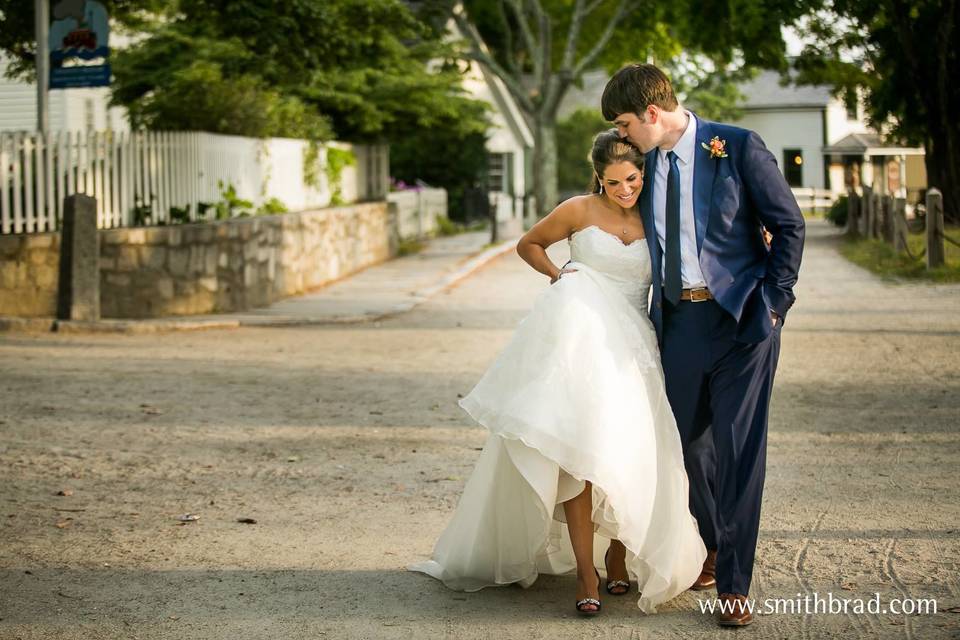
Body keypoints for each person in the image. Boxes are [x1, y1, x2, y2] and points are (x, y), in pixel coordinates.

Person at [409, 130, 706, 616]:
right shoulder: (578, 210)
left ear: (642, 173)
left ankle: (618, 552)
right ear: (599, 178)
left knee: (628, 447)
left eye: (632, 178)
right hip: (581, 339)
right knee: (580, 451)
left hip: (634, 344)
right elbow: (529, 244)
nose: (624, 189)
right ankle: (586, 573)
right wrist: (556, 273)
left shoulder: (657, 214)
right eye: (613, 182)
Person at [601, 63, 805, 627]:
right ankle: (712, 545)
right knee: (688, 446)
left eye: (624, 123)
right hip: (678, 324)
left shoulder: (736, 147)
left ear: (652, 113)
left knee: (740, 451)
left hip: (743, 322)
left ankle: (734, 583)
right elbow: (611, 212)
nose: (622, 135)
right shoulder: (644, 164)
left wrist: (773, 303)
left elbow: (789, 225)